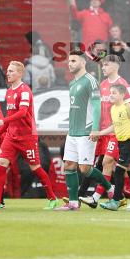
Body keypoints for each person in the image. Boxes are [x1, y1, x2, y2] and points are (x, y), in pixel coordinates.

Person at [0, 61, 61, 210]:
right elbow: (10, 117)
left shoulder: (25, 91)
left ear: (20, 74)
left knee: (35, 167)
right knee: (1, 164)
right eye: (7, 70)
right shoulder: (9, 92)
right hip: (11, 136)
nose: (7, 73)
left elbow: (22, 113)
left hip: (27, 137)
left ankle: (53, 198)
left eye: (11, 71)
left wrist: (2, 121)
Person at [78, 54, 130, 209]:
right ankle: (110, 196)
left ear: (115, 66)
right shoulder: (102, 85)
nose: (103, 67)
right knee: (104, 164)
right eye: (103, 65)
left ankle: (102, 196)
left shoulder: (123, 84)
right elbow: (98, 108)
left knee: (108, 162)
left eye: (106, 65)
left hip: (118, 131)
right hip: (103, 131)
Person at [51, 51, 101, 211]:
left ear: (83, 62)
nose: (70, 63)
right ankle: (73, 202)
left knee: (84, 169)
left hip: (86, 131)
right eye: (69, 61)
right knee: (69, 166)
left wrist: (95, 128)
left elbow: (97, 106)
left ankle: (110, 188)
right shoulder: (72, 83)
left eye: (73, 60)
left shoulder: (91, 81)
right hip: (72, 131)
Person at [96, 83, 130, 211]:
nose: (111, 95)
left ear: (122, 95)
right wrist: (100, 133)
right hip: (122, 144)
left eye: (114, 93)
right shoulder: (113, 109)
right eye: (110, 93)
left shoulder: (128, 107)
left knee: (120, 171)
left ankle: (115, 201)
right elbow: (115, 127)